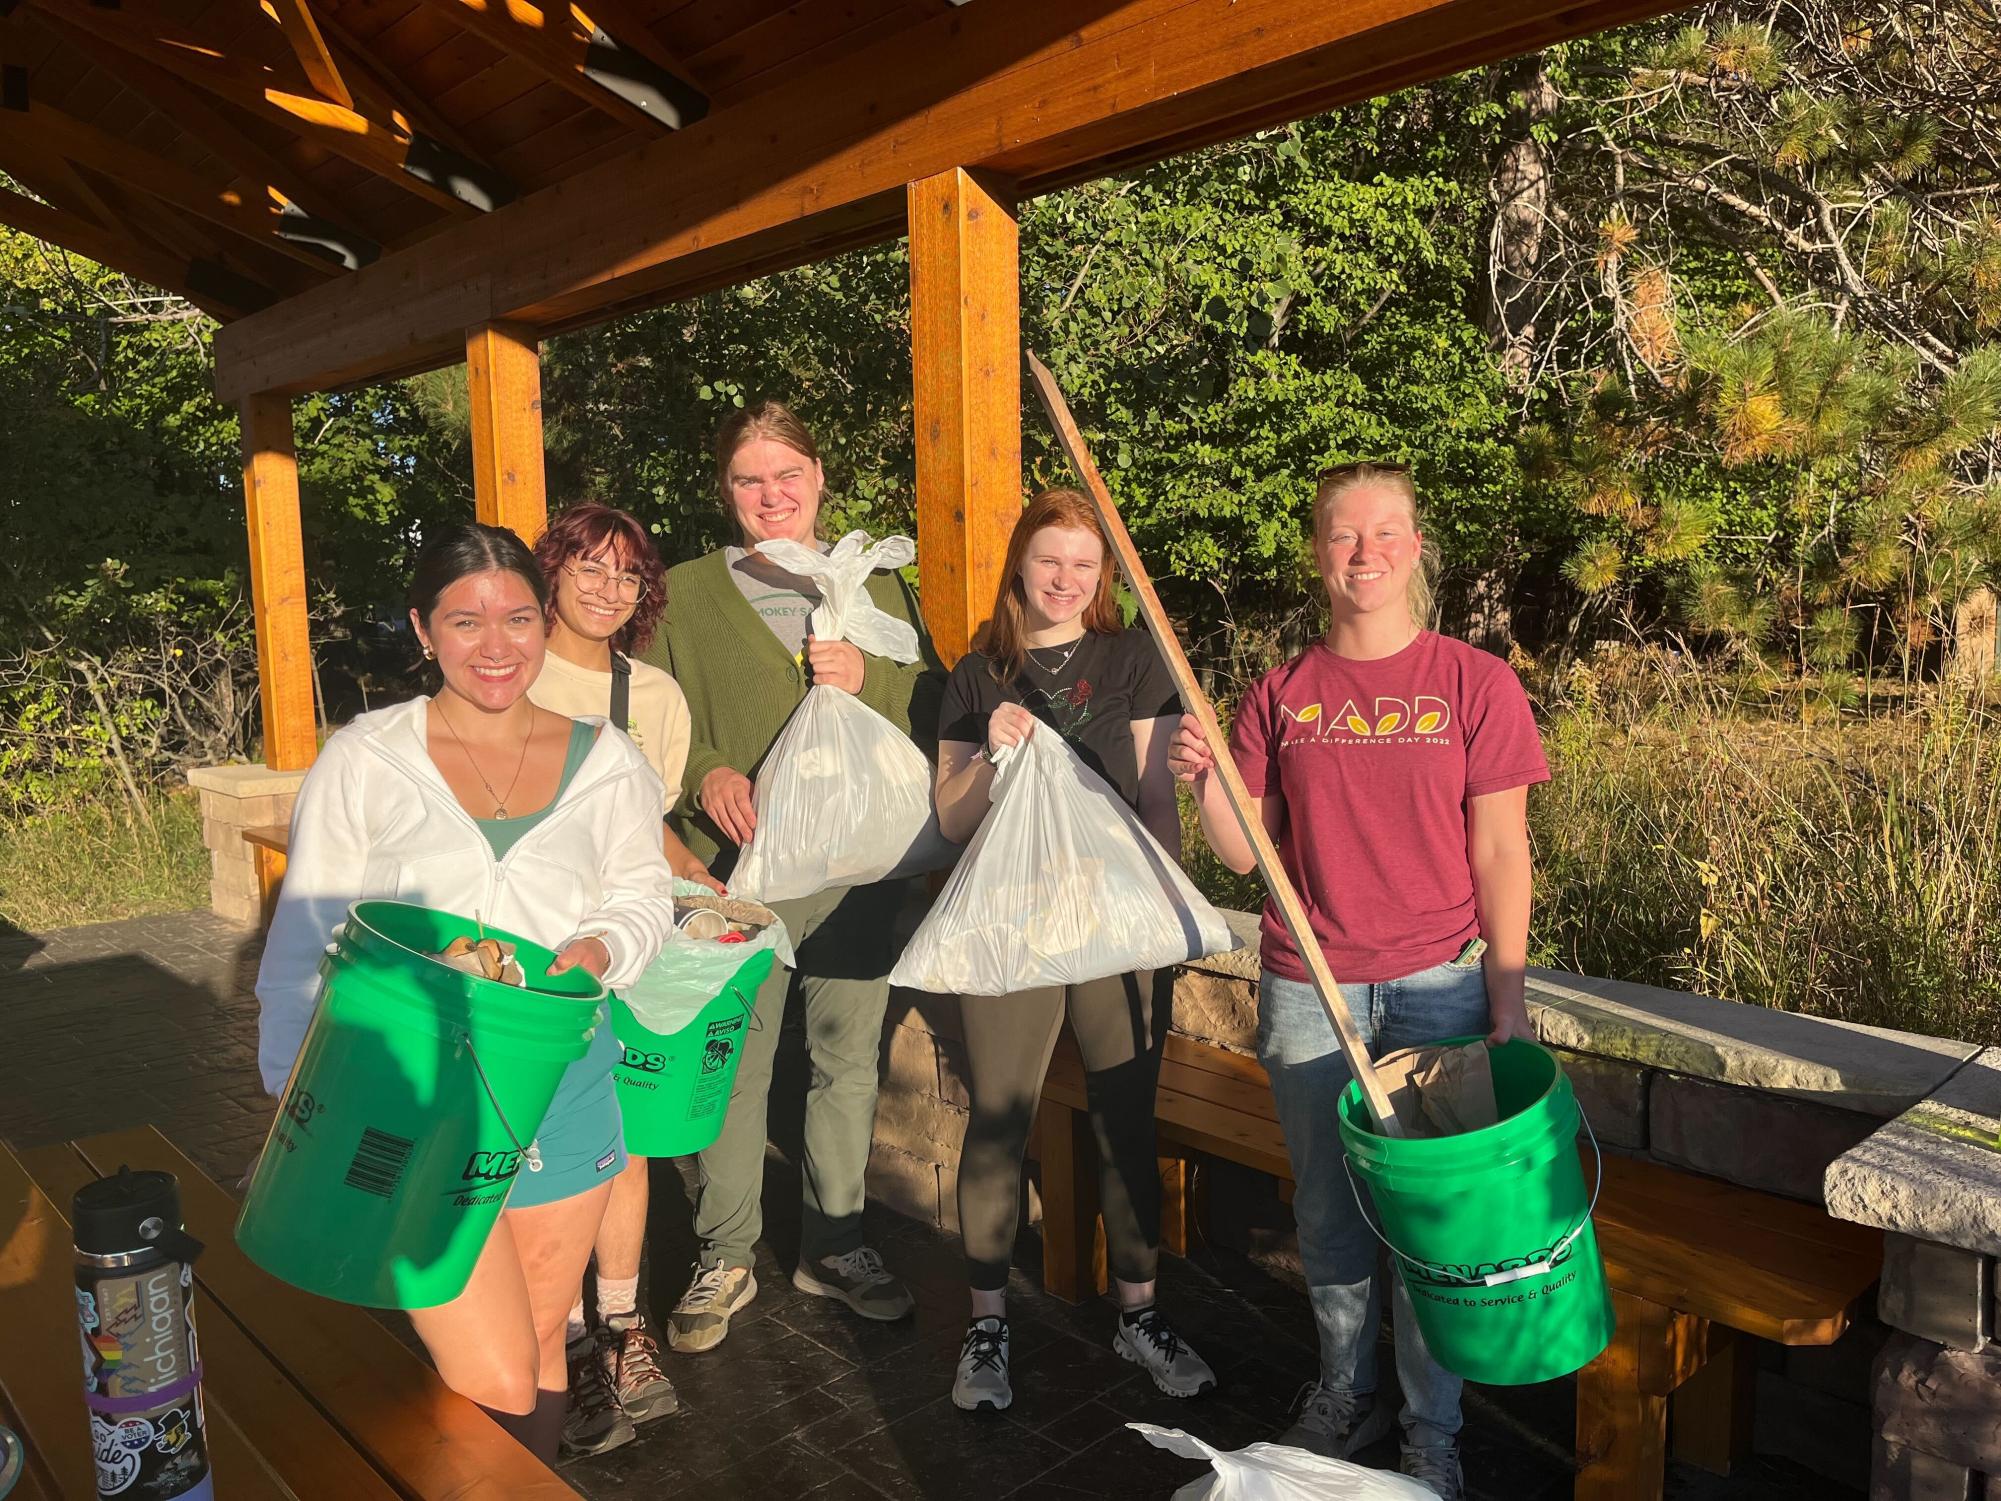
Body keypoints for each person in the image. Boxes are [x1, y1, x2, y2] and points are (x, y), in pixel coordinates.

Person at [255, 522, 678, 1466]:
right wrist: (292, 1087)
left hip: (563, 1086)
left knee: (538, 1339)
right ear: (422, 628)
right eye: (465, 620)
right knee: (489, 1368)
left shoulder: (606, 759)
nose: (497, 646)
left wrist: (604, 946)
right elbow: (302, 939)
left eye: (518, 618)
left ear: (545, 620)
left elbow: (645, 893)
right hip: (411, 1095)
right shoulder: (367, 758)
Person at [1169, 463, 1547, 1501]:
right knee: (1331, 1218)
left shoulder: (1474, 680)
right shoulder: (1281, 692)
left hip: (1438, 989)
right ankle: (1347, 1392)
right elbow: (1244, 855)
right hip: (1308, 987)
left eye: (1386, 532)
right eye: (1344, 534)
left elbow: (1504, 852)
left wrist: (1503, 1005)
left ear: (1416, 547)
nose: (1366, 551)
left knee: (1432, 1228)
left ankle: (1434, 1425)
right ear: (1319, 554)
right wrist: (1205, 780)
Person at [641, 400, 944, 1352]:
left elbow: (929, 704)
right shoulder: (685, 592)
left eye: (787, 475)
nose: (770, 495)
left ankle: (836, 1243)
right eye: (748, 479)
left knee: (846, 1061)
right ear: (724, 491)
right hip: (737, 873)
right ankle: (725, 1248)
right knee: (735, 1063)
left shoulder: (878, 586)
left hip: (855, 874)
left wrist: (869, 679)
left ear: (818, 478)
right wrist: (706, 773)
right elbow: (654, 716)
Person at [932, 487, 1217, 1413]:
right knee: (999, 1118)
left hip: (1114, 919)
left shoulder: (1134, 656)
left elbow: (1155, 802)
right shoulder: (977, 673)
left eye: (1083, 565)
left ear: (1103, 576)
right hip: (1011, 921)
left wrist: (1165, 914)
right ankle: (985, 1321)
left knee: (1124, 1113)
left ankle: (1137, 1312)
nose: (1065, 579)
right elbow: (948, 817)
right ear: (1019, 562)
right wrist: (987, 757)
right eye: (1049, 560)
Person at [526, 503, 717, 1456]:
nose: (607, 589)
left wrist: (710, 895)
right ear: (551, 573)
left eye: (627, 575)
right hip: (534, 950)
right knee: (548, 1150)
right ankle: (557, 1340)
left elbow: (648, 828)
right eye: (588, 568)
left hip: (630, 945)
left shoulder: (658, 698)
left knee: (627, 1138)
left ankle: (621, 1325)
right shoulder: (509, 673)